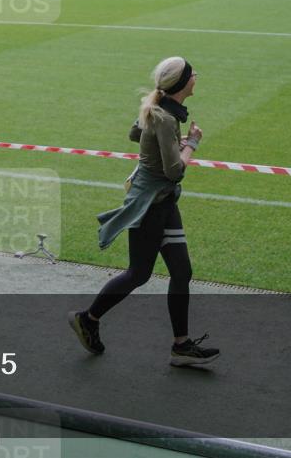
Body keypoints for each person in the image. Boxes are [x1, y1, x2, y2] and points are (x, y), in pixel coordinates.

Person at [69, 56, 219, 367]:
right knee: (138, 274)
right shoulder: (165, 118)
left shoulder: (161, 110)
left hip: (162, 203)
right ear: (182, 83)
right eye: (192, 73)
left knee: (181, 272)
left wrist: (168, 142)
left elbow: (135, 134)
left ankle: (181, 346)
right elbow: (175, 172)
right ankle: (88, 319)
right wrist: (191, 143)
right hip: (150, 206)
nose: (196, 76)